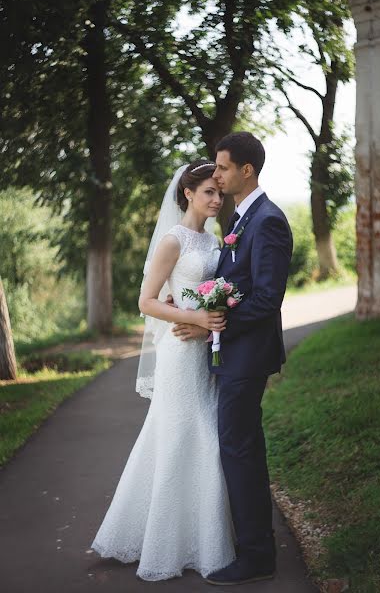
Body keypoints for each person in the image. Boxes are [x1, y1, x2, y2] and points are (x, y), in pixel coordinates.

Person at [90, 160, 237, 581]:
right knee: (181, 434)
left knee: (203, 432)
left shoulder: (214, 241)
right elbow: (146, 301)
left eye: (219, 193)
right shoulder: (173, 241)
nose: (216, 199)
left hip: (203, 350)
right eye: (209, 191)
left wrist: (210, 320)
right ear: (188, 193)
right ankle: (164, 544)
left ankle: (204, 537)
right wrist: (194, 321)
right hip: (178, 351)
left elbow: (213, 297)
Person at [172, 131, 293, 586]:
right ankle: (255, 545)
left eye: (222, 168)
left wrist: (211, 321)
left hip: (248, 356)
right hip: (234, 354)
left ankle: (258, 556)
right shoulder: (242, 219)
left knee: (238, 451)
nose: (216, 176)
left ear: (246, 170)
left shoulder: (268, 221)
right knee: (242, 451)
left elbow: (266, 298)